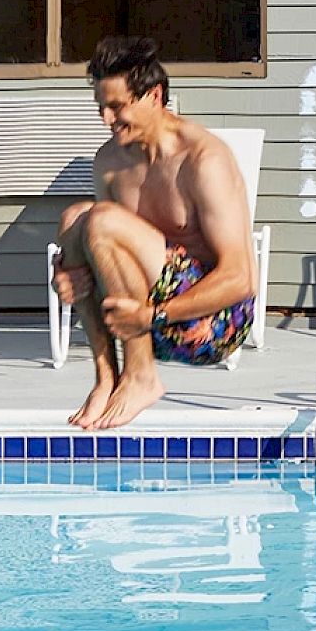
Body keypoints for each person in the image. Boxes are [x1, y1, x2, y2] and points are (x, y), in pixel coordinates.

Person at [53, 37, 258, 430]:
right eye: (101, 108)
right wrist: (68, 276)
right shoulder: (109, 162)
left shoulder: (203, 159)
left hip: (211, 323)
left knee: (100, 219)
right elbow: (103, 254)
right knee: (75, 219)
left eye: (117, 107)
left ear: (154, 95)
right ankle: (107, 378)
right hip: (142, 318)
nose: (106, 120)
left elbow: (241, 278)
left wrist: (154, 315)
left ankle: (142, 375)